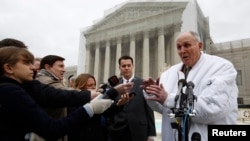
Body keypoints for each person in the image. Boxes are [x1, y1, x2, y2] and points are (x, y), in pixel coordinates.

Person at [0, 46, 113, 141]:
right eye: (26, 63)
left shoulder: (14, 88)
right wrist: (90, 108)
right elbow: (52, 129)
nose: (33, 67)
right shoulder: (11, 91)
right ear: (9, 68)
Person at [142, 31, 238, 141]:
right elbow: (165, 109)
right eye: (179, 47)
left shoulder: (221, 67)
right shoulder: (168, 74)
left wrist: (169, 99)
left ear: (200, 46)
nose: (182, 50)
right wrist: (153, 93)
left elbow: (214, 108)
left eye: (187, 45)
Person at [68, 73, 132, 141]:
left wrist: (119, 104)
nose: (93, 87)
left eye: (94, 85)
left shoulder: (97, 98)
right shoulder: (73, 100)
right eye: (89, 85)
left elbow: (107, 111)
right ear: (81, 86)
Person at [107, 55, 156, 141]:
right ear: (119, 67)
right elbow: (110, 110)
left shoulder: (143, 84)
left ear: (133, 66)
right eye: (124, 66)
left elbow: (149, 109)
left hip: (140, 131)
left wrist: (151, 135)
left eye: (129, 65)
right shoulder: (115, 86)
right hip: (118, 131)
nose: (126, 68)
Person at [34, 55, 70, 141]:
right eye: (60, 66)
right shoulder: (46, 81)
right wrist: (90, 94)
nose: (64, 69)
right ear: (48, 67)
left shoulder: (51, 80)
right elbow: (68, 94)